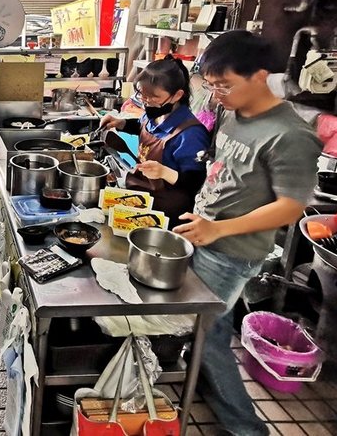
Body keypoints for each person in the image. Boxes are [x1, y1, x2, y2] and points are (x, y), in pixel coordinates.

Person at [171, 31, 322, 435]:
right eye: (210, 84)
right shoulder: (233, 113)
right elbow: (226, 174)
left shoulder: (291, 135)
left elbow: (292, 206)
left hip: (233, 249)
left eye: (224, 84)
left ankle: (247, 429)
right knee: (206, 328)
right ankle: (202, 384)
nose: (216, 93)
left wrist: (218, 226)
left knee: (210, 334)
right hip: (204, 234)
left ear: (259, 76)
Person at [100, 57, 210, 223]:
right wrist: (120, 123)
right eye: (141, 94)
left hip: (165, 213)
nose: (146, 101)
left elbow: (196, 182)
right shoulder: (155, 112)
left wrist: (164, 172)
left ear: (177, 95)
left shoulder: (191, 134)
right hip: (140, 195)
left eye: (153, 97)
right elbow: (143, 127)